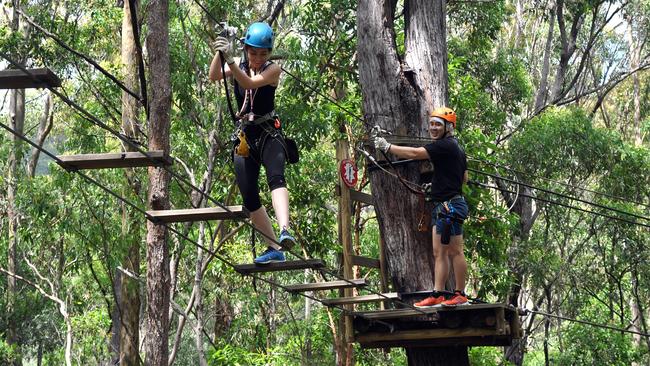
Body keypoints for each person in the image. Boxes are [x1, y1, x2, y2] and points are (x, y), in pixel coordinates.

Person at [209, 22, 295, 264]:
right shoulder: (240, 64)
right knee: (248, 196)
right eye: (253, 52)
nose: (257, 58)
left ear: (269, 53)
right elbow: (214, 75)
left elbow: (247, 83)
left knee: (276, 177)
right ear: (246, 49)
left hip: (269, 133)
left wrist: (231, 60)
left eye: (263, 53)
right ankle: (273, 248)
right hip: (246, 135)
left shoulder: (273, 70)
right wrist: (220, 51)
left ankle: (284, 230)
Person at [373, 107, 470, 307]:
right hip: (444, 204)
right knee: (439, 252)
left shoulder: (445, 145)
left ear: (449, 127)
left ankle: (460, 294)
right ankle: (438, 293)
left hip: (449, 205)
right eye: (432, 124)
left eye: (438, 125)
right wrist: (438, 185)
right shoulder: (455, 148)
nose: (433, 128)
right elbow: (465, 178)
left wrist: (387, 147)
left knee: (454, 251)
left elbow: (415, 153)